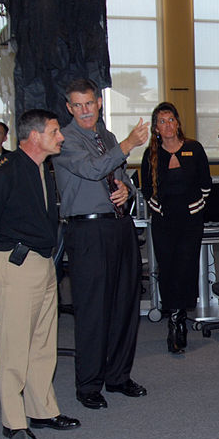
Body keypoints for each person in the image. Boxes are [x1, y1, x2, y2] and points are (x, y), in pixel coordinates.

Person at [0, 109, 80, 439]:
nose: (61, 136)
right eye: (55, 131)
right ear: (34, 136)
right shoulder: (1, 172)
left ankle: (42, 409)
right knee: (15, 346)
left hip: (43, 263)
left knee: (43, 343)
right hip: (14, 264)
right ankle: (14, 421)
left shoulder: (42, 169)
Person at [52, 78, 150, 409]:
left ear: (99, 104)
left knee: (126, 303)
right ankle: (89, 384)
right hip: (87, 231)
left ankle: (118, 376)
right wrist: (127, 144)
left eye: (89, 104)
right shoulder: (65, 139)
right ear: (69, 108)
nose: (84, 111)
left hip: (119, 226)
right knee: (93, 309)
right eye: (77, 105)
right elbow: (94, 169)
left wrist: (128, 191)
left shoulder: (105, 136)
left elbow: (120, 177)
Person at [140, 102, 212, 354]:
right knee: (168, 269)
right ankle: (173, 319)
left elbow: (206, 184)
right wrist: (158, 209)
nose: (167, 125)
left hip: (190, 221)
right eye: (162, 121)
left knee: (186, 267)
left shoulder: (194, 148)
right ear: (155, 127)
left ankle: (180, 316)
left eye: (171, 119)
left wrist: (196, 206)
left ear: (178, 123)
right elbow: (147, 190)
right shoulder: (151, 155)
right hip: (164, 222)